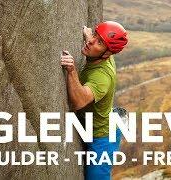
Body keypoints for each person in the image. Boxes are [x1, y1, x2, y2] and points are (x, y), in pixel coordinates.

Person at [60, 21, 128, 180]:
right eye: (95, 36)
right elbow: (96, 39)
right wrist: (92, 36)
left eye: (99, 42)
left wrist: (71, 71)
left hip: (103, 139)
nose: (90, 42)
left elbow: (79, 101)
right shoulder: (104, 53)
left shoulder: (102, 77)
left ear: (107, 54)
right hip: (101, 122)